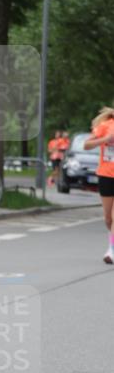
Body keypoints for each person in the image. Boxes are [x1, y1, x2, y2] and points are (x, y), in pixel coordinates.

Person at [82, 107, 114, 264]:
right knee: (108, 219)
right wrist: (105, 139)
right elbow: (86, 145)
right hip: (106, 175)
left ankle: (111, 250)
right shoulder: (106, 125)